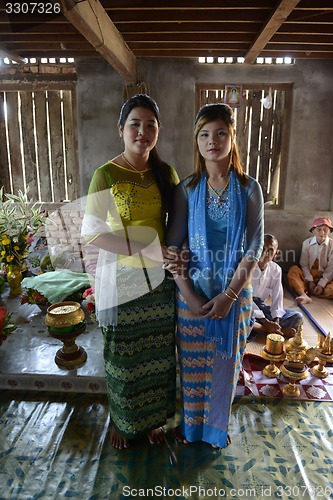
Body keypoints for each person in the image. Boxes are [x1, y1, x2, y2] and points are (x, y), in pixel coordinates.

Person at [81, 94, 179, 449]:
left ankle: (152, 420)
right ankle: (124, 422)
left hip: (160, 283)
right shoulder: (105, 174)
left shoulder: (165, 173)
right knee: (123, 355)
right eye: (135, 124)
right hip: (121, 280)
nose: (143, 131)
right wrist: (148, 248)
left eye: (150, 125)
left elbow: (176, 225)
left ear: (158, 131)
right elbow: (92, 232)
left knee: (156, 355)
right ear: (120, 129)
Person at [165, 103, 264, 449]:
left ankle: (215, 429)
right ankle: (191, 429)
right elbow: (172, 247)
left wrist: (230, 295)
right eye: (205, 133)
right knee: (192, 369)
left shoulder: (250, 189)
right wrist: (190, 295)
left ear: (233, 137)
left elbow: (254, 246)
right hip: (191, 295)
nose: (213, 140)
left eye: (221, 132)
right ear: (197, 140)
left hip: (234, 297)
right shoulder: (188, 189)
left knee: (225, 366)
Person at [247, 233, 303, 342]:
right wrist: (266, 322)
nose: (265, 253)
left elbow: (277, 298)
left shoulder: (276, 269)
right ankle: (265, 329)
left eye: (270, 250)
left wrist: (276, 321)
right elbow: (246, 300)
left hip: (262, 308)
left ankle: (275, 329)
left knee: (297, 316)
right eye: (262, 248)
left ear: (275, 254)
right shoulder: (247, 267)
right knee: (240, 320)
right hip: (246, 306)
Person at [287, 217, 333, 304]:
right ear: (313, 231)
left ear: (329, 231)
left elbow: (331, 268)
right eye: (319, 229)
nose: (322, 233)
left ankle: (316, 291)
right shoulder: (306, 243)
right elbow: (303, 264)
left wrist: (321, 284)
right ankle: (303, 294)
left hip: (326, 279)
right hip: (307, 277)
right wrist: (310, 281)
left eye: (325, 230)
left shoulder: (332, 245)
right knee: (293, 271)